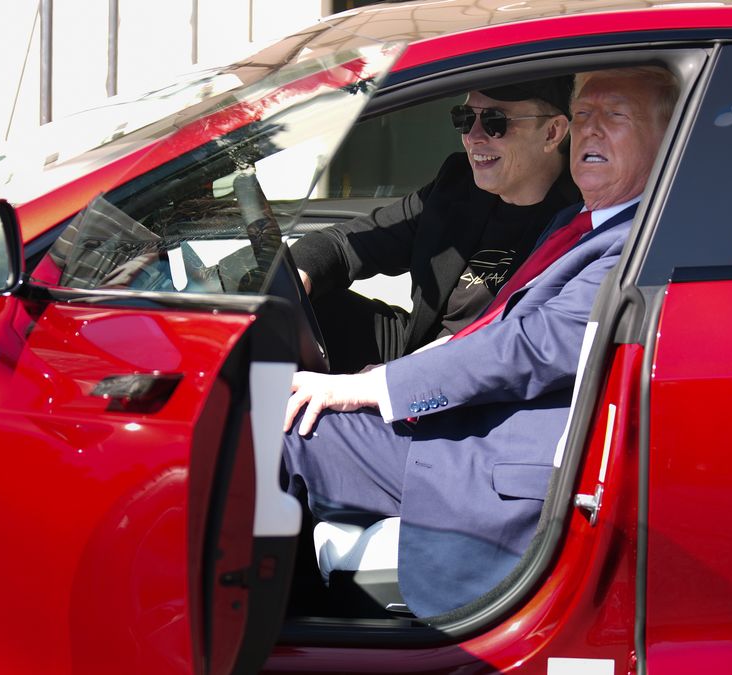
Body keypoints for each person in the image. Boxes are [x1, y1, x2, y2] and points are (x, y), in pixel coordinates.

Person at [280, 66, 680, 617]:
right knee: (289, 378)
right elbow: (367, 241)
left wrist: (374, 387)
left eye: (614, 117)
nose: (591, 131)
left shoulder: (632, 241)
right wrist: (284, 279)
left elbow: (529, 346)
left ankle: (247, 622)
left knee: (276, 430)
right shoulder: (579, 221)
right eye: (586, 114)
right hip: (454, 401)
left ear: (667, 138)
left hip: (485, 451)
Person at [289, 77, 579, 373]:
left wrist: (390, 381)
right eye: (465, 118)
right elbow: (346, 244)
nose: (473, 136)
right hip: (414, 348)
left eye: (495, 121)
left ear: (552, 132)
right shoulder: (457, 185)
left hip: (478, 378)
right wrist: (293, 281)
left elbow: (507, 345)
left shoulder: (579, 221)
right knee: (290, 311)